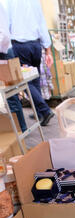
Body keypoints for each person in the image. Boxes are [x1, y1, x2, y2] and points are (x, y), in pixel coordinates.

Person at [2, 0, 55, 126]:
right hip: (35, 45)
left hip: (20, 45)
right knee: (34, 80)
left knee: (24, 81)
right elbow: (42, 22)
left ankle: (44, 110)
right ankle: (40, 113)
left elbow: (5, 23)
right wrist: (48, 49)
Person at [0, 2, 27, 132]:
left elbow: (4, 35)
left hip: (3, 52)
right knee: (10, 96)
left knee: (10, 95)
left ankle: (20, 129)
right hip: (4, 51)